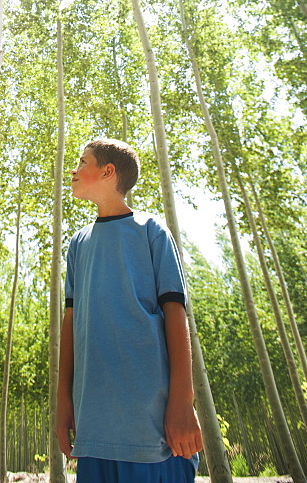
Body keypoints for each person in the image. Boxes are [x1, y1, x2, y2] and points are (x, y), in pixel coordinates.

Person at [55, 137, 203, 483]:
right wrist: (64, 401)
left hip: (150, 425)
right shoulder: (78, 243)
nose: (74, 171)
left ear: (108, 172)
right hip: (94, 427)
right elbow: (71, 323)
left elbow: (175, 314)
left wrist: (183, 401)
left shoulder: (151, 231)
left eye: (83, 162)